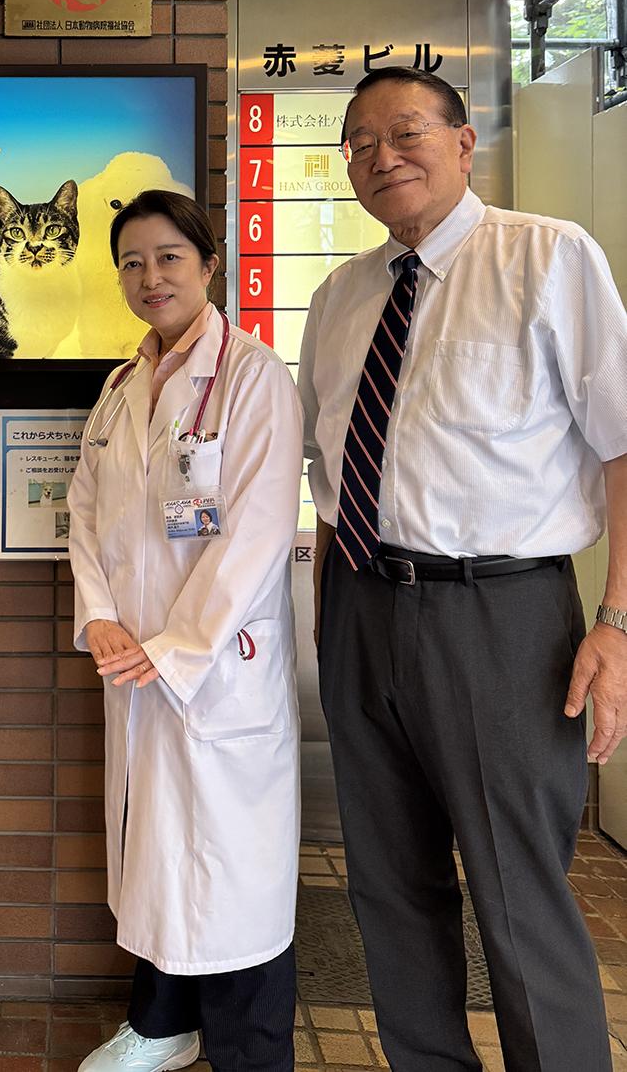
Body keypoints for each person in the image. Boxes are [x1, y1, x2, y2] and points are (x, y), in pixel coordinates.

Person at [298, 65, 627, 1072]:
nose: (381, 156)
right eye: (359, 143)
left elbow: (623, 447)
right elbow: (328, 473)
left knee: (517, 893)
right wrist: (327, 616)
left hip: (501, 616)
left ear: (463, 141)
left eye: (405, 132)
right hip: (360, 607)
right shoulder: (340, 297)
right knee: (388, 884)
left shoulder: (545, 256)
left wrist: (617, 624)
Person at [68, 189, 303, 1072]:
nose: (149, 277)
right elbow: (84, 515)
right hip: (133, 665)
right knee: (158, 854)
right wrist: (98, 618)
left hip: (216, 670)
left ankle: (250, 1053)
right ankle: (163, 1024)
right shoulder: (121, 387)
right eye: (131, 262)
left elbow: (256, 533)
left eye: (168, 257)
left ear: (208, 264)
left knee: (234, 872)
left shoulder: (252, 376)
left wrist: (173, 650)